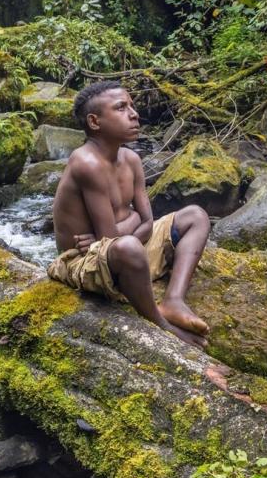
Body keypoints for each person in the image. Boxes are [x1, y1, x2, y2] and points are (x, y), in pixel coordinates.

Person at [49, 80, 210, 348]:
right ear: (95, 122)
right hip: (83, 262)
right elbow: (112, 239)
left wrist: (131, 223)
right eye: (121, 108)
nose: (134, 114)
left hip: (118, 249)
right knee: (129, 247)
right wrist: (134, 220)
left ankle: (173, 300)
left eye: (132, 106)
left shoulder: (131, 160)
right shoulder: (86, 163)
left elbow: (146, 222)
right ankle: (160, 322)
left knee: (196, 215)